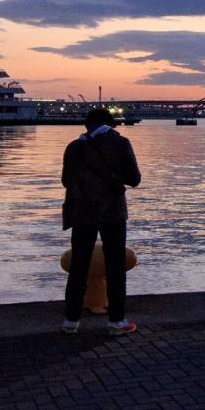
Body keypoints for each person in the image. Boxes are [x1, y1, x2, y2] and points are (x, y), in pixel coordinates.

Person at [62, 106, 142, 336]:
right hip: (112, 211)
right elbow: (134, 179)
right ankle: (116, 321)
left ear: (87, 125)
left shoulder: (74, 147)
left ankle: (71, 320)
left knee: (79, 264)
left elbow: (66, 180)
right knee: (115, 265)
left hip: (81, 211)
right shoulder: (120, 143)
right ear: (110, 124)